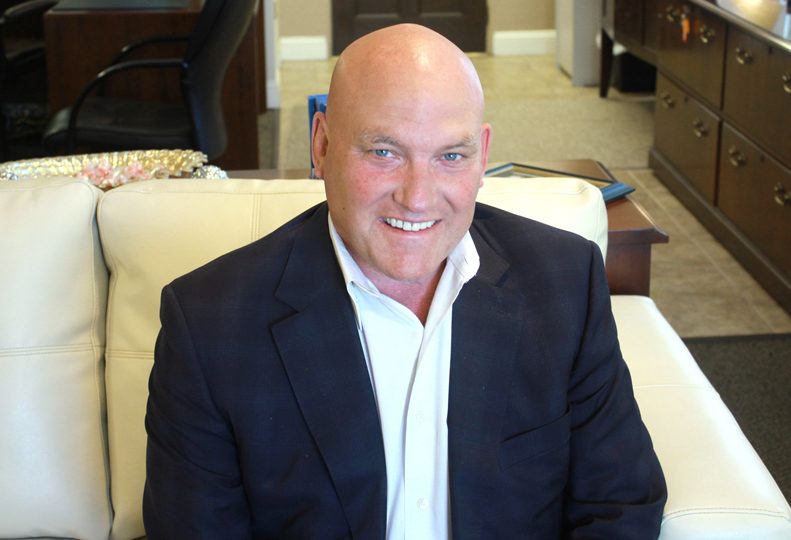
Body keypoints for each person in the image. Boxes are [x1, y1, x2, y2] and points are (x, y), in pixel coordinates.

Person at [143, 23, 667, 539]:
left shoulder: (565, 281)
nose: (417, 198)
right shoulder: (208, 325)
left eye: (450, 156)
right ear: (321, 145)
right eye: (384, 152)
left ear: (483, 154)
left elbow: (620, 503)